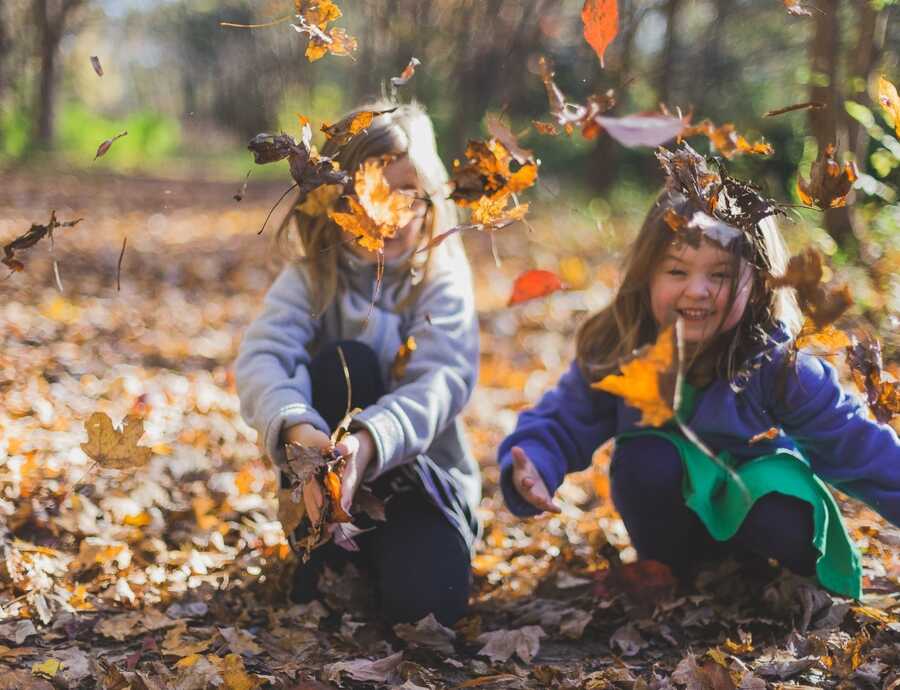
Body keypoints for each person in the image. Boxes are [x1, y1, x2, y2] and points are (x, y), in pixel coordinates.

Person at [498, 151, 900, 600]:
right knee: (645, 458)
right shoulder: (623, 348)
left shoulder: (777, 364)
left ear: (759, 283)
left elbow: (856, 444)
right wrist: (535, 460)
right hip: (672, 526)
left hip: (763, 519)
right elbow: (564, 418)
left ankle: (765, 579)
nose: (697, 290)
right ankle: (677, 575)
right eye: (677, 271)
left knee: (777, 498)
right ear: (647, 276)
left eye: (721, 274)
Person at [235, 102, 480, 625]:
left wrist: (367, 445)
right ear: (331, 200)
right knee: (344, 362)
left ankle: (401, 558)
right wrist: (299, 430)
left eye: (403, 193)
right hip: (324, 489)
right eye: (364, 191)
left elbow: (442, 379)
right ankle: (327, 549)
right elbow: (263, 357)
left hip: (422, 487)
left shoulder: (439, 278)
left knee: (430, 609)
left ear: (429, 199)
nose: (384, 213)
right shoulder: (311, 280)